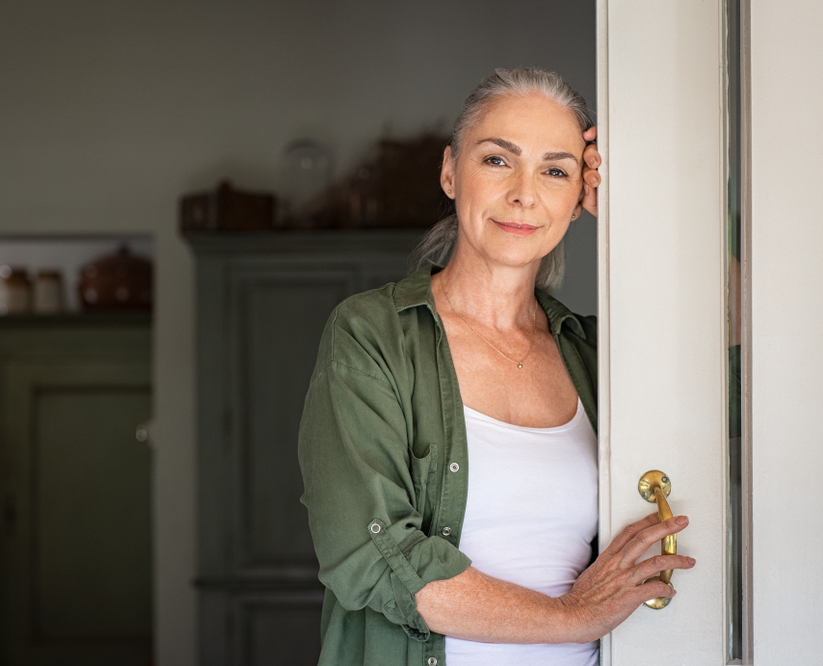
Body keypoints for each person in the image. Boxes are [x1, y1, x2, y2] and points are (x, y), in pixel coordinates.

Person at [297, 68, 695, 666]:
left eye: (556, 171)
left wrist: (643, 215)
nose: (525, 194)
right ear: (451, 171)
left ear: (578, 200)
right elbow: (370, 555)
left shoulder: (595, 355)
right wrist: (572, 616)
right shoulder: (370, 335)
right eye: (497, 161)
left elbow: (748, 351)